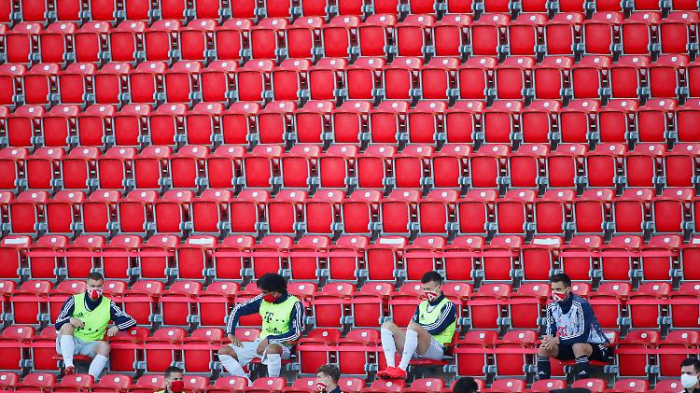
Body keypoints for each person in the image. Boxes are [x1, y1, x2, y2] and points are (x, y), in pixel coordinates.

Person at [218, 273, 304, 382]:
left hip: (283, 346)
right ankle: (248, 384)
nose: (262, 295)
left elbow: (295, 334)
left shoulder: (294, 304)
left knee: (272, 349)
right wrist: (230, 333)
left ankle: (272, 384)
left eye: (265, 292)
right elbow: (237, 309)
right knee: (224, 351)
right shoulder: (262, 299)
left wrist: (269, 340)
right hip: (260, 343)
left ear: (275, 292)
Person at [376, 271, 457, 380]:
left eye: (428, 289)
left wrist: (419, 327)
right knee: (387, 325)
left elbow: (437, 328)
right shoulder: (422, 305)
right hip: (416, 347)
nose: (426, 292)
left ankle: (402, 369)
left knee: (414, 327)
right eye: (424, 289)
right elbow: (413, 325)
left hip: (437, 348)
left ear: (438, 288)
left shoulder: (448, 305)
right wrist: (417, 328)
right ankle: (391, 367)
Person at [55, 272, 137, 378]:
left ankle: (91, 378)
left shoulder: (109, 304)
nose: (95, 289)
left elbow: (131, 320)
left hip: (91, 344)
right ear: (86, 286)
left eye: (98, 286)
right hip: (72, 341)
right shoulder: (74, 300)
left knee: (105, 347)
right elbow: (58, 321)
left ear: (103, 287)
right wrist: (70, 319)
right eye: (92, 286)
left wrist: (117, 326)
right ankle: (69, 365)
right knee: (67, 326)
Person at [537, 273, 610, 381]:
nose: (555, 293)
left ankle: (583, 384)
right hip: (568, 344)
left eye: (558, 289)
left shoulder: (581, 305)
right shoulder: (551, 306)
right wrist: (548, 340)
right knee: (543, 348)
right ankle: (542, 385)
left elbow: (582, 337)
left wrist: (556, 340)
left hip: (595, 346)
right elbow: (549, 332)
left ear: (567, 289)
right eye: (553, 289)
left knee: (578, 346)